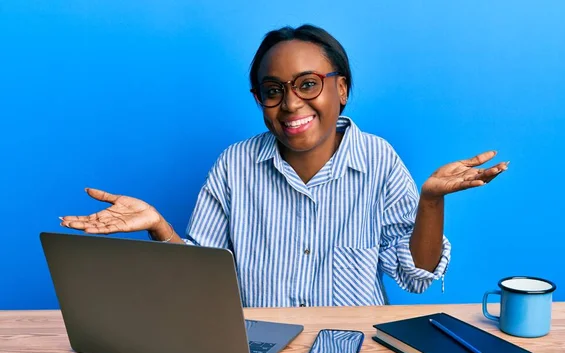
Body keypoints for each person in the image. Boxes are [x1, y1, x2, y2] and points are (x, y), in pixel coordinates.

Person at [60, 24, 508, 307]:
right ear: (260, 100)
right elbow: (200, 285)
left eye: (308, 84)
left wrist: (429, 202)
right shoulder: (235, 165)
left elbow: (415, 278)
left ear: (342, 89)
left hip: (354, 352)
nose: (291, 102)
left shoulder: (378, 160)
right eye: (273, 90)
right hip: (254, 349)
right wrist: (160, 226)